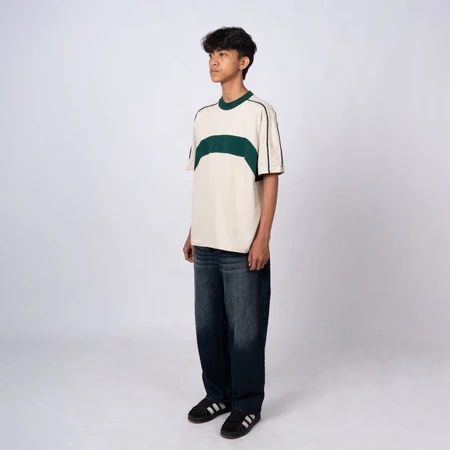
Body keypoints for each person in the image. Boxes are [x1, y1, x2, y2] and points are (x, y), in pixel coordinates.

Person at [183, 26, 285, 439]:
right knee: (208, 327)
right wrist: (193, 231)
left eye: (222, 54)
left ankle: (246, 405)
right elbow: (206, 178)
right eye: (211, 54)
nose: (213, 61)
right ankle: (218, 395)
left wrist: (263, 237)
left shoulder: (260, 112)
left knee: (245, 331)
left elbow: (270, 176)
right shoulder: (202, 117)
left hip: (243, 243)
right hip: (206, 242)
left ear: (243, 62)